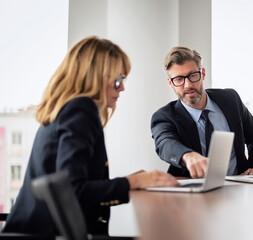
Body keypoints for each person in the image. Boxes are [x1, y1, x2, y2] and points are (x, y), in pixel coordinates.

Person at [2, 36, 179, 236]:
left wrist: (130, 181)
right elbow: (73, 190)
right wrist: (133, 183)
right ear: (96, 77)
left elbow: (72, 184)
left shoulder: (68, 109)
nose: (122, 87)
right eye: (117, 80)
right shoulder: (81, 110)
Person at [151, 46, 253, 178]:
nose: (187, 85)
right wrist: (187, 155)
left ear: (202, 74)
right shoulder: (164, 116)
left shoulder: (230, 99)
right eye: (179, 79)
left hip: (238, 185)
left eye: (193, 75)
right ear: (170, 83)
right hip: (192, 192)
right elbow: (165, 143)